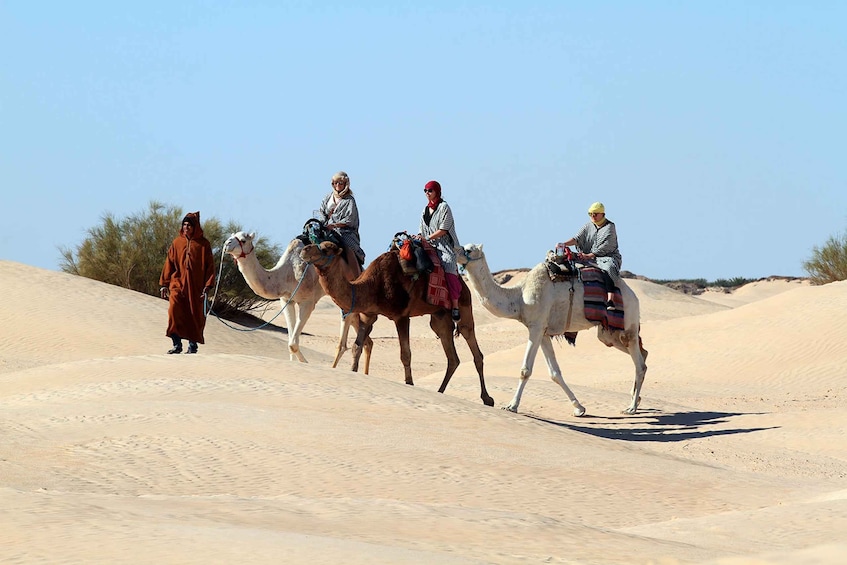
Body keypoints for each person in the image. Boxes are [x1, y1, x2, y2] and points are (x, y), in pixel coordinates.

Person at [159, 211, 216, 354]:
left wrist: (207, 286)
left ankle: (192, 346)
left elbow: (210, 267)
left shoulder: (204, 245)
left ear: (195, 227)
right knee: (174, 310)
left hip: (196, 288)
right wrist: (165, 284)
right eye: (184, 225)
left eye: (189, 225)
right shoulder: (177, 243)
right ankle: (176, 343)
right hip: (177, 284)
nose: (186, 228)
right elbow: (169, 263)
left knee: (194, 315)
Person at [561, 202, 623, 310]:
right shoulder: (587, 226)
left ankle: (610, 300)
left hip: (606, 256)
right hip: (586, 255)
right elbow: (577, 239)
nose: (593, 216)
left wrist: (590, 255)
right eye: (590, 214)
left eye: (595, 214)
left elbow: (607, 246)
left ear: (602, 214)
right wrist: (564, 244)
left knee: (608, 268)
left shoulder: (610, 226)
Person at [419, 180, 462, 322]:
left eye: (430, 190)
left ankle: (455, 306)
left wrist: (428, 237)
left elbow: (443, 229)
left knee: (449, 268)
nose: (427, 193)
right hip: (429, 246)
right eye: (425, 190)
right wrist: (420, 238)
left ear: (437, 191)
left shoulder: (444, 208)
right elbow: (421, 231)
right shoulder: (424, 211)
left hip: (444, 247)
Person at [318, 171, 365, 281]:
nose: (337, 185)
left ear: (346, 184)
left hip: (345, 231)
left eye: (340, 183)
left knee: (348, 247)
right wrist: (323, 224)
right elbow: (321, 213)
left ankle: (357, 278)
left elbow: (349, 219)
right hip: (326, 229)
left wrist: (334, 225)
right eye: (335, 183)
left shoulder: (349, 200)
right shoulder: (327, 198)